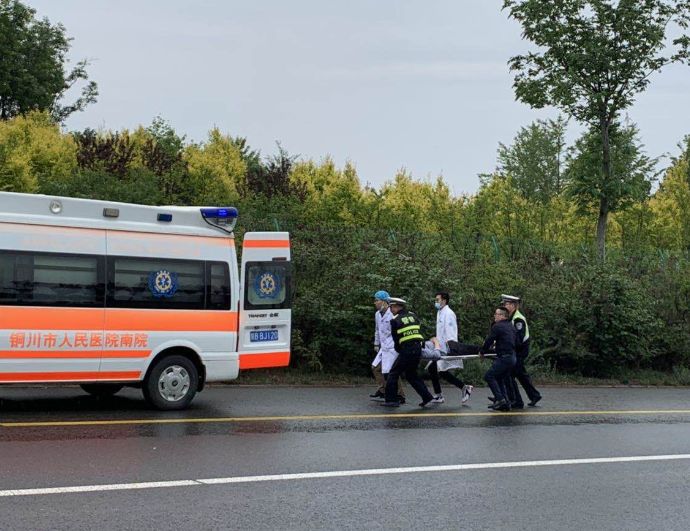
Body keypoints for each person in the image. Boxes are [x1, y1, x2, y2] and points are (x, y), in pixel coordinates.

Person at [382, 297, 434, 408]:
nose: (391, 310)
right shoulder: (413, 316)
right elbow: (419, 332)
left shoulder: (395, 320)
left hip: (407, 350)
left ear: (396, 307)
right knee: (411, 374)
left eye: (391, 307)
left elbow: (396, 340)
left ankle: (391, 400)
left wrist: (400, 351)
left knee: (393, 373)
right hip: (418, 348)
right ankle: (427, 397)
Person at [426, 291, 473, 405]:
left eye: (437, 300)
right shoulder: (440, 312)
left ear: (444, 300)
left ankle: (441, 395)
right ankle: (463, 388)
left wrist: (451, 348)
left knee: (435, 369)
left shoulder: (449, 313)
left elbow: (451, 332)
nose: (436, 302)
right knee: (437, 370)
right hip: (439, 347)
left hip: (446, 348)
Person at [501, 294, 542, 408]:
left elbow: (519, 338)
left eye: (506, 304)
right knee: (520, 374)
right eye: (504, 304)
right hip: (516, 350)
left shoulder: (518, 319)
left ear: (513, 305)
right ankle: (534, 395)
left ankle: (516, 400)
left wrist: (509, 346)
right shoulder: (511, 317)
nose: (504, 306)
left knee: (509, 374)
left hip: (520, 350)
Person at [369, 290, 405, 403]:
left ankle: (400, 395)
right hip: (383, 346)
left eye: (376, 300)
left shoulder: (392, 313)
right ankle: (383, 389)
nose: (375, 302)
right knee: (375, 368)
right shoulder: (377, 314)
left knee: (392, 371)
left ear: (384, 302)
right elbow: (377, 330)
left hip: (392, 346)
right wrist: (376, 343)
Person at [480, 306, 517, 412]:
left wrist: (482, 351)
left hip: (504, 357)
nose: (494, 316)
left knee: (489, 376)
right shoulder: (511, 326)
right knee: (499, 378)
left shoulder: (497, 326)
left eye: (496, 314)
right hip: (512, 357)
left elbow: (489, 340)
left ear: (502, 316)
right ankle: (505, 403)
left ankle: (500, 399)